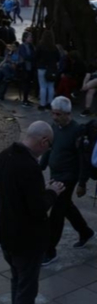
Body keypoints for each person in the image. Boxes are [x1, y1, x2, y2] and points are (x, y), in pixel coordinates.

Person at [0, 120, 62, 304]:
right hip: (26, 239)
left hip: (6, 234)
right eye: (48, 145)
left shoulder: (3, 157)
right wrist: (52, 192)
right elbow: (36, 208)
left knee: (17, 283)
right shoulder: (29, 167)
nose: (47, 150)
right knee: (26, 289)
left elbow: (14, 196)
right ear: (43, 141)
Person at [40, 97, 94, 266]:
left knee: (56, 213)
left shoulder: (77, 131)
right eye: (53, 113)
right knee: (66, 207)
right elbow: (50, 147)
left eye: (58, 114)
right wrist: (41, 165)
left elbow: (83, 159)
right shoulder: (55, 127)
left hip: (68, 178)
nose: (55, 117)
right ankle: (85, 232)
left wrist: (82, 182)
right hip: (55, 174)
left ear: (68, 114)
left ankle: (50, 250)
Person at [36, 30, 60, 113]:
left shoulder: (40, 46)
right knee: (51, 86)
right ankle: (50, 103)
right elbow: (58, 58)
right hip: (51, 68)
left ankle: (42, 104)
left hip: (42, 67)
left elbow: (36, 56)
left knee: (43, 86)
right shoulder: (54, 48)